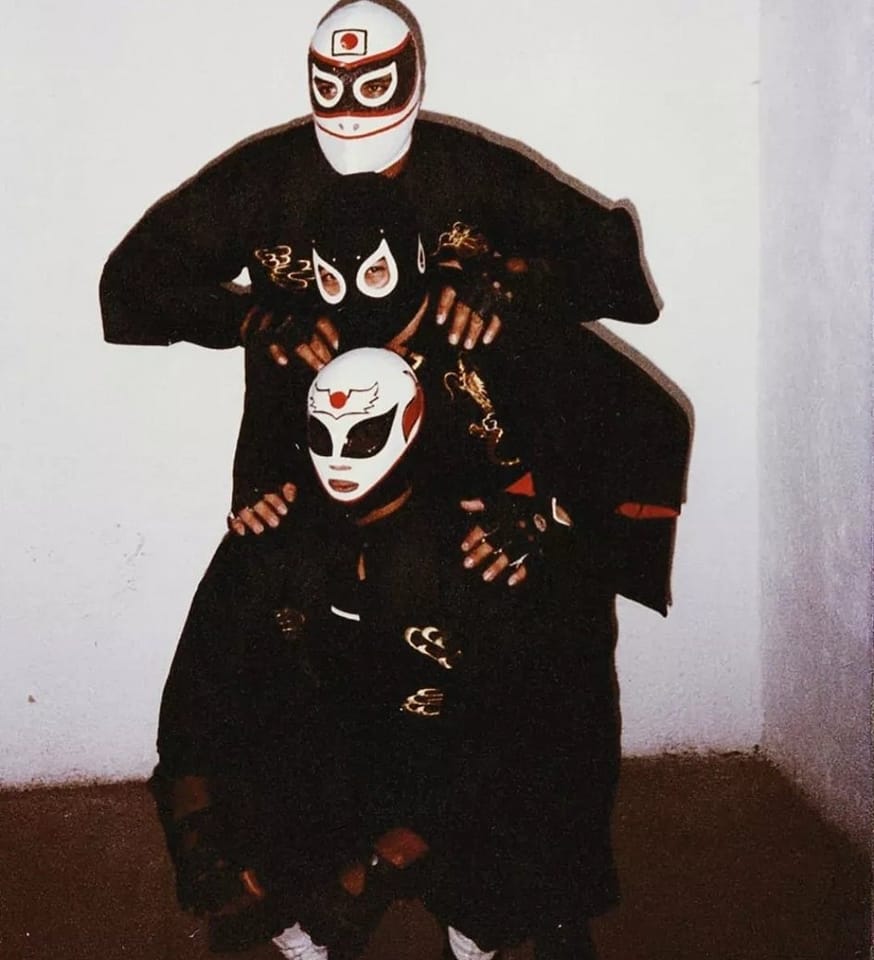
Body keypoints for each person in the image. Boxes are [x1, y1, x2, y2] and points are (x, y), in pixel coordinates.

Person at [150, 173, 689, 960]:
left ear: (411, 259)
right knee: (296, 669)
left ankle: (536, 907)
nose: (349, 299)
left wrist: (552, 518)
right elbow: (277, 445)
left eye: (371, 274)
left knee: (544, 701)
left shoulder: (482, 322)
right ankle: (327, 874)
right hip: (386, 562)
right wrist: (265, 501)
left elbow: (648, 424)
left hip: (509, 558)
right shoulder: (307, 341)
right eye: (330, 278)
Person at [99, 0, 661, 526]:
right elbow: (130, 281)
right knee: (257, 585)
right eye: (331, 88)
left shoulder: (471, 172)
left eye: (372, 87)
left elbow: (615, 267)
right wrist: (248, 320)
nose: (350, 113)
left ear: (410, 81)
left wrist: (512, 284)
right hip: (308, 473)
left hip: (466, 475)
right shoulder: (261, 184)